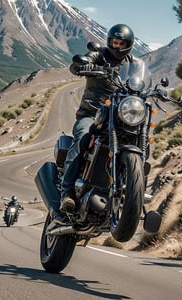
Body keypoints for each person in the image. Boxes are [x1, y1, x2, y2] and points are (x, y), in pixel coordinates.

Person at [53, 24, 137, 224]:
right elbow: (77, 66)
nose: (117, 46)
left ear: (128, 45)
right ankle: (68, 193)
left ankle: (132, 196)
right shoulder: (99, 55)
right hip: (93, 114)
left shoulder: (133, 64)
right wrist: (83, 67)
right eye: (114, 42)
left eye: (121, 43)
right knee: (82, 135)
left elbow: (141, 81)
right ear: (109, 42)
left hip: (119, 118)